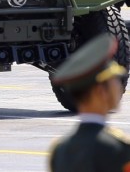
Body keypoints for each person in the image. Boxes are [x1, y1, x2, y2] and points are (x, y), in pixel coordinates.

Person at [48, 33, 130, 172]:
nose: (119, 86)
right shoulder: (119, 149)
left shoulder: (60, 151)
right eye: (114, 81)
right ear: (100, 91)